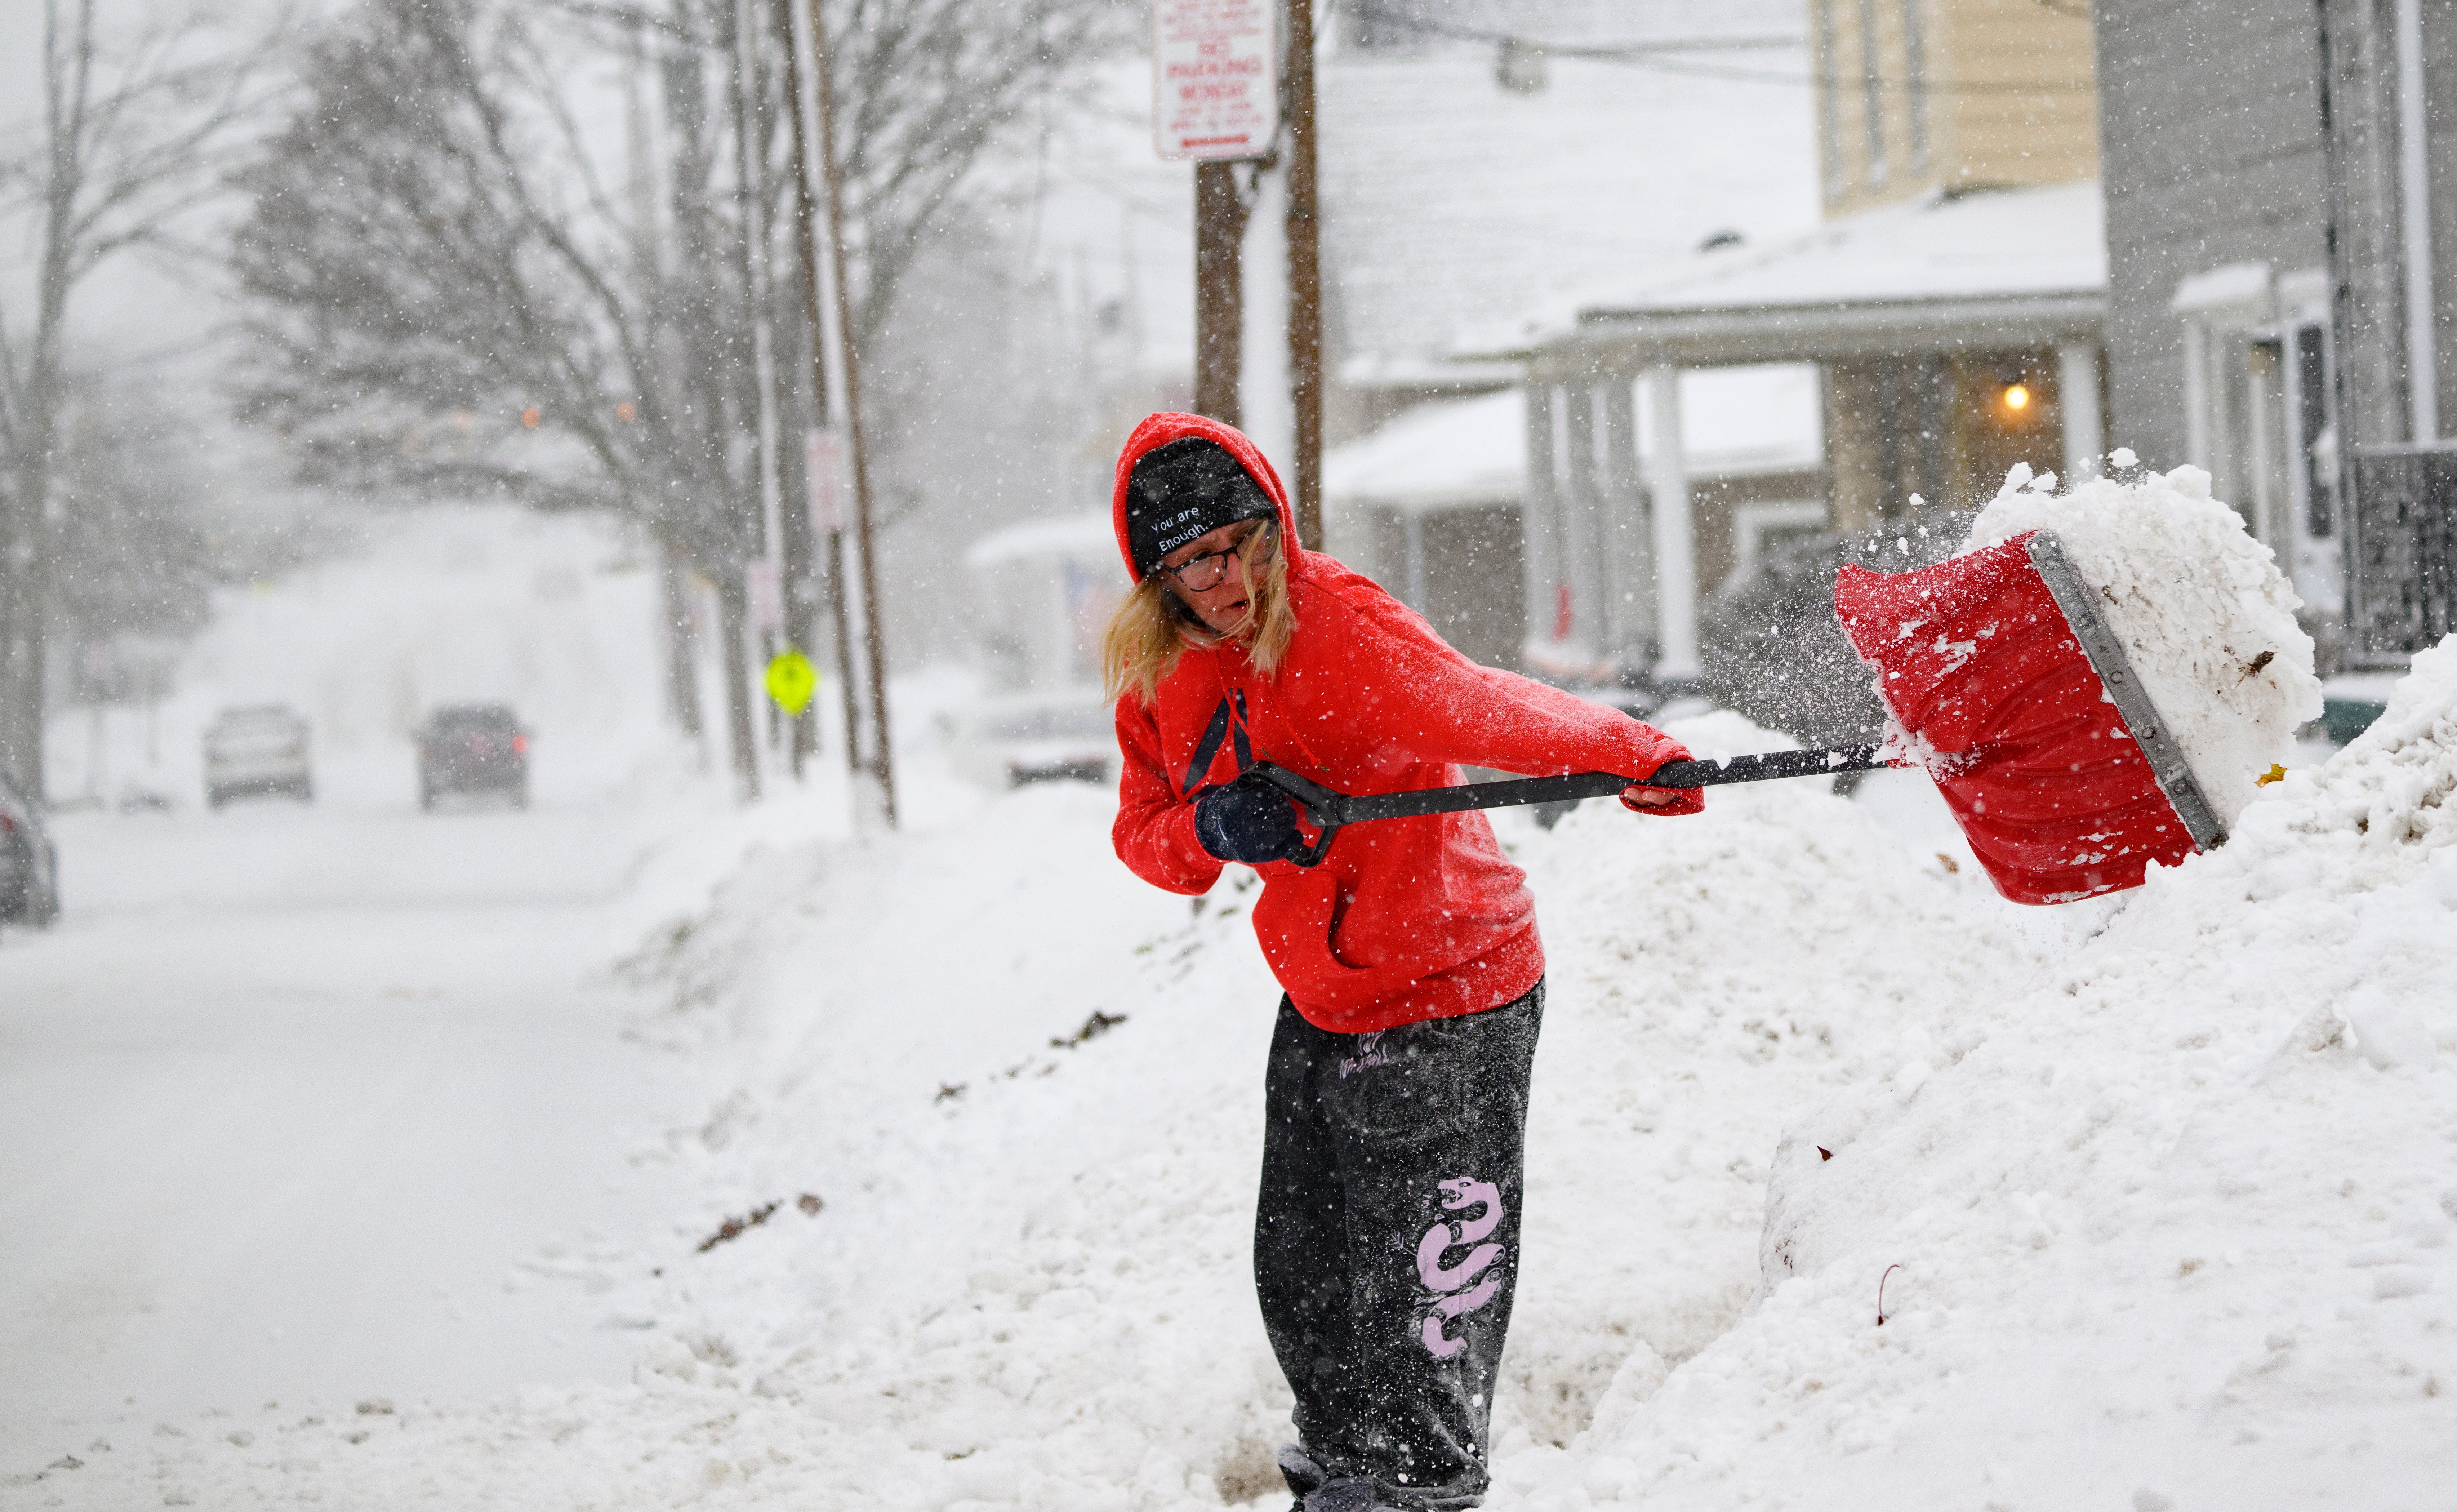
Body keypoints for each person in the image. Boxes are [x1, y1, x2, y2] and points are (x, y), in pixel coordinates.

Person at [1100, 413, 1701, 1512]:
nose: (1222, 577)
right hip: (1325, 995)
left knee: (1423, 1271)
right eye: (1189, 562)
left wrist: (1633, 754)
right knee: (1304, 1267)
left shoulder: (1336, 624)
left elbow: (1485, 705)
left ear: (1270, 529)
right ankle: (1342, 1465)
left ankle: (1418, 1481)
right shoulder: (1156, 674)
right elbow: (1146, 835)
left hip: (1450, 985)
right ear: (1156, 577)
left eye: (1237, 543)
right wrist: (1214, 830)